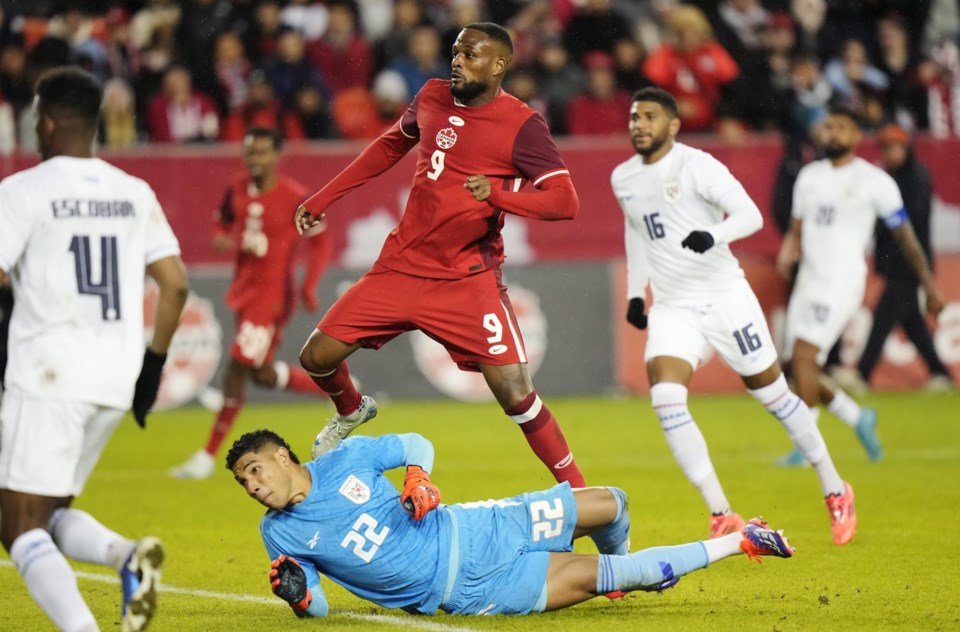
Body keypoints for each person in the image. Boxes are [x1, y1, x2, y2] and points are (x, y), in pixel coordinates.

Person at [293, 23, 587, 489]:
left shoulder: (523, 124)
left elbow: (564, 201)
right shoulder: (431, 96)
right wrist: (323, 197)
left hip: (466, 277)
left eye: (471, 54)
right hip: (401, 266)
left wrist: (498, 195)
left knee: (516, 394)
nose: (457, 61)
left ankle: (583, 495)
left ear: (498, 65)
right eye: (455, 52)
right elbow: (388, 147)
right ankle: (352, 410)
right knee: (315, 358)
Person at [612, 87, 857, 546]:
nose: (639, 124)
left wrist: (714, 234)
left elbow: (750, 216)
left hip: (725, 297)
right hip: (673, 305)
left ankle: (834, 486)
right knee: (666, 398)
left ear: (673, 125)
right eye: (633, 117)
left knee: (774, 397)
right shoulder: (623, 177)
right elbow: (636, 232)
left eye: (649, 116)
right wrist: (634, 292)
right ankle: (722, 513)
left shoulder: (696, 165)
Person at [227, 429, 794, 618]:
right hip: (478, 589)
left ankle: (619, 575)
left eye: (255, 471)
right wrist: (299, 597)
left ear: (282, 456)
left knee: (611, 503)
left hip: (481, 528)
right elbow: (321, 607)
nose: (253, 487)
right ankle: (744, 540)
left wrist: (418, 478)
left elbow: (416, 442)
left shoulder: (346, 459)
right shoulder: (278, 535)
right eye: (243, 483)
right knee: (622, 572)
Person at [0, 67, 188, 632]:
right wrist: (152, 368)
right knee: (49, 509)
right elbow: (175, 283)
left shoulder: (23, 190)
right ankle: (125, 557)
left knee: (17, 524)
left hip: (49, 373)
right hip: (115, 375)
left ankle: (81, 628)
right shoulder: (133, 192)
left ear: (48, 123)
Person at [777, 108, 947, 466]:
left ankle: (808, 449)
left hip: (842, 280)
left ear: (856, 137)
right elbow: (797, 225)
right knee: (799, 366)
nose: (833, 134)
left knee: (806, 356)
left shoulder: (874, 181)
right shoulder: (808, 176)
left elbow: (906, 237)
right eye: (830, 127)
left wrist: (929, 286)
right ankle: (858, 417)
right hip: (809, 278)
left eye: (842, 128)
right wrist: (789, 249)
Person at [171, 127, 330, 480]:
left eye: (261, 153)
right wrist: (223, 238)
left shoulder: (294, 196)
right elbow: (222, 223)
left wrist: (310, 285)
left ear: (276, 155)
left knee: (237, 368)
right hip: (245, 291)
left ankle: (206, 455)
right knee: (261, 373)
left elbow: (321, 242)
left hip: (272, 297)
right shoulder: (237, 188)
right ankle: (334, 390)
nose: (255, 160)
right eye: (250, 153)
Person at [833, 124, 953, 393]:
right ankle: (940, 373)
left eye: (895, 148)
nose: (890, 153)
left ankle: (862, 374)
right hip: (892, 263)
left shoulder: (916, 176)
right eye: (885, 148)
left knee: (883, 317)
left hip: (911, 264)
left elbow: (911, 219)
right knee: (912, 324)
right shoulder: (888, 178)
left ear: (906, 149)